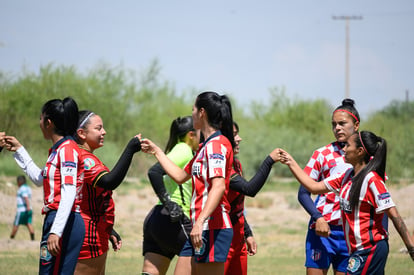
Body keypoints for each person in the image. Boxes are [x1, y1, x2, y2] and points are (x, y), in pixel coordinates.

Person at [280, 131, 414, 274]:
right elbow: (313, 186)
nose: (343, 149)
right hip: (357, 250)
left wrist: (411, 247)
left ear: (360, 151)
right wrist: (290, 161)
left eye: (348, 146)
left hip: (370, 249)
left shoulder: (372, 180)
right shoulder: (345, 177)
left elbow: (394, 215)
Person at [141, 91, 235, 275]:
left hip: (213, 227)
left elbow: (219, 186)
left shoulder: (216, 145)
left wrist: (200, 222)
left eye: (193, 109)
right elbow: (180, 175)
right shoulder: (204, 147)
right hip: (199, 228)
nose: (191, 114)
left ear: (202, 112)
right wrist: (157, 151)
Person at [4, 97, 85, 275]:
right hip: (58, 218)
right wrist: (19, 150)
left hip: (64, 219)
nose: (39, 123)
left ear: (48, 122)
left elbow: (69, 192)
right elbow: (40, 178)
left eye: (40, 119)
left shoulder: (67, 150)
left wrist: (56, 230)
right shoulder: (58, 150)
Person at [74, 110, 142, 274]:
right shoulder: (84, 158)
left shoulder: (85, 155)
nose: (104, 132)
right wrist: (130, 149)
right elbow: (109, 181)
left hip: (96, 231)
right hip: (87, 235)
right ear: (82, 133)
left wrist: (108, 228)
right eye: (98, 128)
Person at [297, 99, 360, 275]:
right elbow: (303, 193)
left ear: (356, 125)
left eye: (342, 123)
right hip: (321, 231)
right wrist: (318, 217)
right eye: (334, 124)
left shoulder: (366, 157)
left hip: (351, 233)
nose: (337, 128)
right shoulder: (322, 154)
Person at [142, 116, 199, 275]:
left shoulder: (177, 149)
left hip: (156, 219)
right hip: (175, 219)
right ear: (191, 135)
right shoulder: (183, 150)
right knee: (202, 261)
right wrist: (169, 203)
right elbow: (154, 171)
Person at [10, 175, 35, 241]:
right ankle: (32, 239)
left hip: (22, 210)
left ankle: (11, 239)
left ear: (19, 181)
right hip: (30, 209)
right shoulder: (28, 188)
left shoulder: (22, 189)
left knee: (16, 223)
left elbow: (25, 197)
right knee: (28, 223)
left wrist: (28, 206)